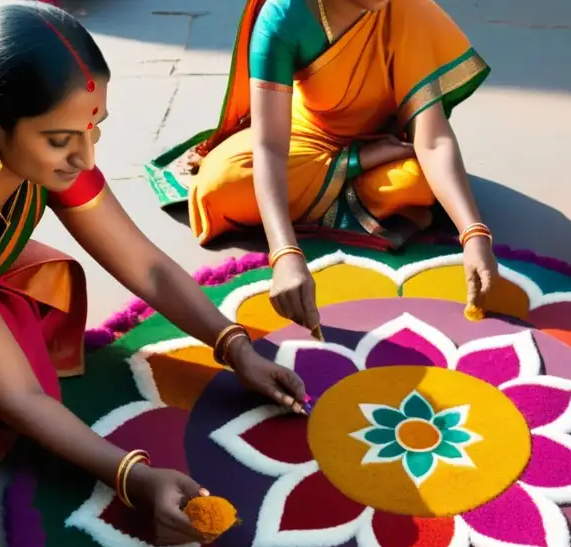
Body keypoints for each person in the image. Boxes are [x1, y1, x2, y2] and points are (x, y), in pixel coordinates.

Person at [0, 2, 306, 543]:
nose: (86, 160)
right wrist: (130, 477)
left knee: (40, 293)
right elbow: (17, 396)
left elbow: (148, 266)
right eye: (61, 141)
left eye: (95, 132)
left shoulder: (34, 138)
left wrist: (237, 349)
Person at [172, 0, 497, 334]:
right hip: (304, 134)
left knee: (420, 183)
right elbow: (269, 147)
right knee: (222, 184)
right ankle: (357, 171)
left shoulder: (407, 9)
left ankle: (334, 188)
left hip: (379, 137)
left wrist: (474, 234)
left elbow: (432, 140)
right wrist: (284, 253)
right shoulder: (284, 15)